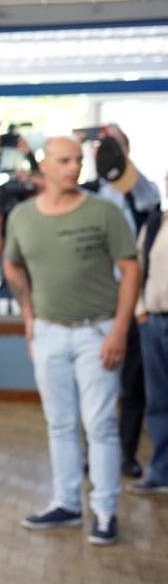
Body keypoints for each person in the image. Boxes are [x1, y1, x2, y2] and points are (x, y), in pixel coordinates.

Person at [4, 136, 138, 546]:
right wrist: (29, 317)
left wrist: (119, 329)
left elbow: (130, 271)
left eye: (78, 159)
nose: (73, 166)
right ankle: (66, 502)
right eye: (64, 160)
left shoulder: (104, 212)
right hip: (48, 333)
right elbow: (12, 265)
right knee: (59, 424)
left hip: (96, 333)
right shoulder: (22, 217)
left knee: (99, 425)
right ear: (43, 167)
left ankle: (105, 510)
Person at [83, 127, 161, 478]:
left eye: (114, 145)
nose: (107, 151)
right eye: (103, 146)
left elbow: (148, 206)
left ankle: (126, 453)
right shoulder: (88, 194)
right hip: (96, 298)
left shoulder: (142, 193)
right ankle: (93, 452)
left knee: (133, 382)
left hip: (132, 299)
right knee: (94, 380)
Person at [127, 169, 168, 497]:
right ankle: (160, 472)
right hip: (153, 324)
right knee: (157, 401)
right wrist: (140, 311)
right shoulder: (155, 224)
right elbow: (139, 270)